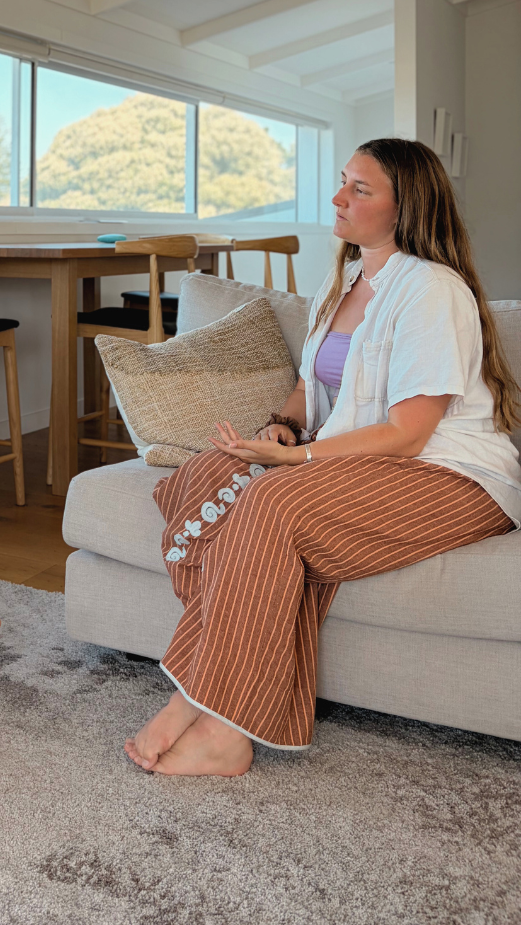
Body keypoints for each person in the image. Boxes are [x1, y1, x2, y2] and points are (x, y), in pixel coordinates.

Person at [125, 138, 520, 778]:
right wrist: (282, 428)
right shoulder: (344, 283)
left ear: (405, 208)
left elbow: (409, 433)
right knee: (205, 475)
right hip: (360, 461)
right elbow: (315, 388)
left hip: (453, 474)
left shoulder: (431, 289)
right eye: (343, 181)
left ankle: (213, 718)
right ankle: (224, 690)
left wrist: (298, 464)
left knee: (272, 504)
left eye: (360, 189)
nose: (338, 198)